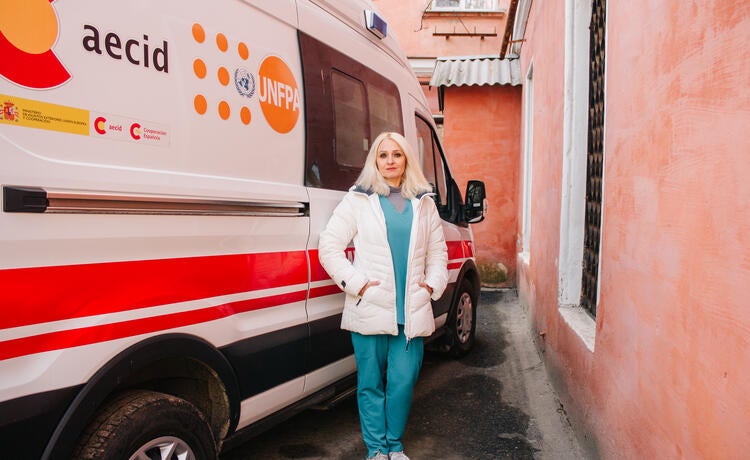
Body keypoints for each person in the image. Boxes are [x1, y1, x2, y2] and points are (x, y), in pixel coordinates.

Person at [318, 132, 448, 460]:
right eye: (382, 155)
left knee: (403, 382)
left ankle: (394, 444)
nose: (390, 161)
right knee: (370, 384)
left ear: (407, 160)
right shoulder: (359, 199)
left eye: (396, 155)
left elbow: (438, 254)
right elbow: (329, 246)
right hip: (370, 308)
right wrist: (356, 283)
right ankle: (376, 450)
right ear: (374, 162)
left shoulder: (424, 203)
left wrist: (431, 286)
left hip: (411, 309)